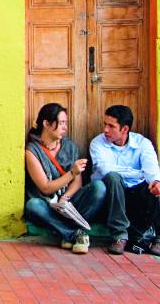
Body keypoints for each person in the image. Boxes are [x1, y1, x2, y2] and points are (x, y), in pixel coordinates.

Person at [24, 102, 105, 254]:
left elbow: (78, 181)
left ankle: (67, 232)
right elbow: (45, 187)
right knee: (33, 205)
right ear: (46, 124)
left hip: (68, 204)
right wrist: (71, 173)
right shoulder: (32, 151)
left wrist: (66, 198)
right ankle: (74, 233)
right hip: (48, 205)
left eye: (65, 123)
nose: (65, 127)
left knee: (99, 187)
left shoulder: (70, 147)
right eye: (61, 123)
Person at [90, 104, 160, 256]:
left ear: (125, 129)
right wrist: (139, 173)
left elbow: (152, 169)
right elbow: (106, 169)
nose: (105, 130)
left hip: (137, 200)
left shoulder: (142, 144)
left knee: (158, 183)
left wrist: (155, 181)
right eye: (105, 124)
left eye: (111, 126)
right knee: (113, 178)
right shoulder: (97, 143)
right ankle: (119, 236)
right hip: (111, 201)